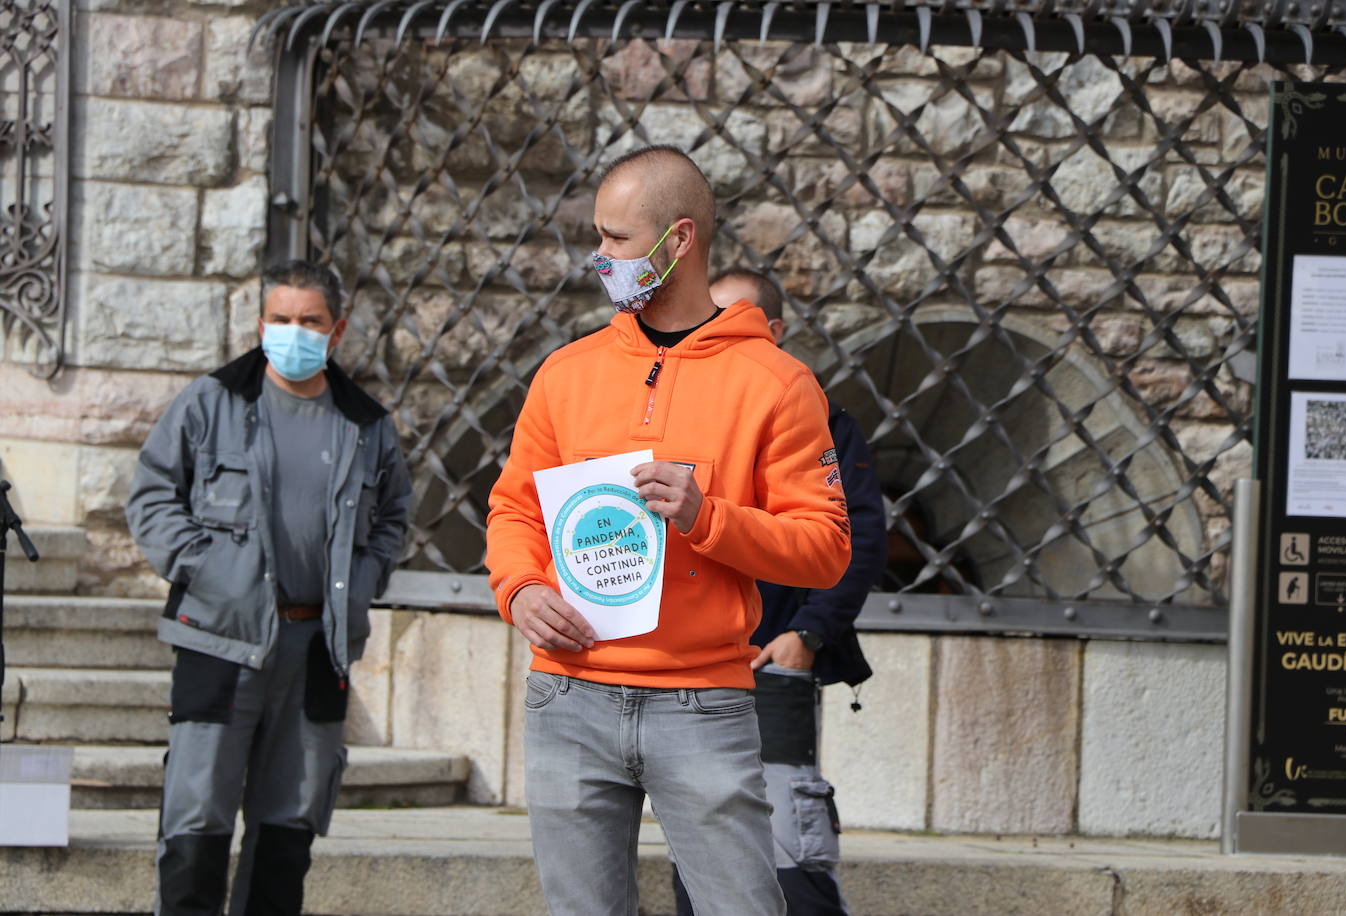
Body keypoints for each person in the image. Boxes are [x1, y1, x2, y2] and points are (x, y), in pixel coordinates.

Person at [485, 145, 851, 916]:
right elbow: (515, 508)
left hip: (701, 702)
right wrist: (518, 589)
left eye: (616, 239)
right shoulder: (566, 373)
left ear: (679, 240)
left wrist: (706, 516)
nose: (600, 256)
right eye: (599, 235)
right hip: (567, 691)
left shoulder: (778, 384)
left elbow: (824, 549)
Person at [126, 260, 412, 916]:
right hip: (220, 637)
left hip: (318, 647)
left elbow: (394, 516)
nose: (293, 332)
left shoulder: (366, 425)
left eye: (309, 321)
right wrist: (206, 571)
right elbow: (150, 495)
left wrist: (361, 585)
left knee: (291, 823)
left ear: (335, 331)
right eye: (280, 319)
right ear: (260, 324)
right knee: (197, 815)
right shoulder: (212, 401)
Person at [670, 268, 888, 916]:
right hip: (698, 673)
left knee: (793, 866)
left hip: (774, 668)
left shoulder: (822, 417)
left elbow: (859, 539)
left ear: (776, 332)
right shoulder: (688, 412)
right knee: (701, 861)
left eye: (738, 318)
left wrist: (808, 635)